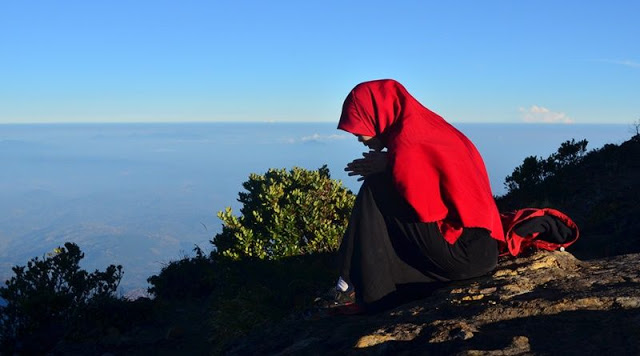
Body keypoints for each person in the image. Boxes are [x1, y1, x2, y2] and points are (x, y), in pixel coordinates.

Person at [328, 79, 505, 313]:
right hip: (481, 250)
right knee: (381, 184)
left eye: (360, 127)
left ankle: (351, 286)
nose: (359, 137)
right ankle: (354, 282)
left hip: (465, 252)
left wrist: (389, 167)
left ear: (378, 115)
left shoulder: (410, 143)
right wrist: (392, 163)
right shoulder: (428, 129)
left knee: (376, 186)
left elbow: (426, 208)